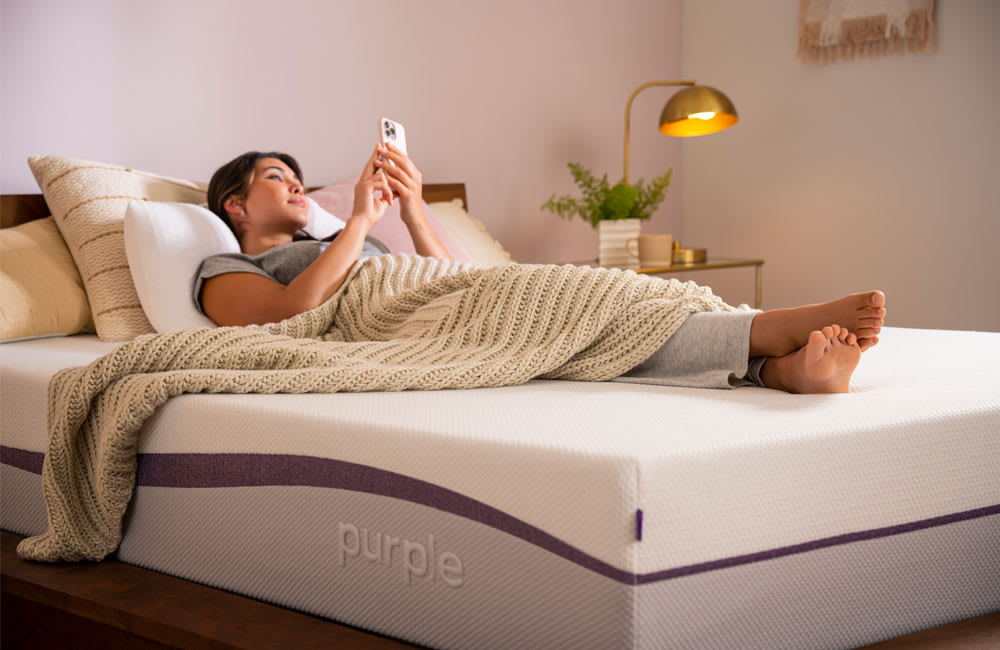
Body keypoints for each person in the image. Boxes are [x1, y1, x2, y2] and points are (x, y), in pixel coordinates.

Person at [196, 148, 886, 395]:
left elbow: (450, 279)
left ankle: (780, 369)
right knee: (586, 300)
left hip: (438, 297)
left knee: (607, 304)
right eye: (276, 177)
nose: (294, 185)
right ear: (235, 202)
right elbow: (285, 316)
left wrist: (410, 210)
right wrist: (356, 224)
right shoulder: (226, 265)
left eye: (296, 177)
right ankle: (763, 336)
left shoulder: (369, 237)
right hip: (379, 314)